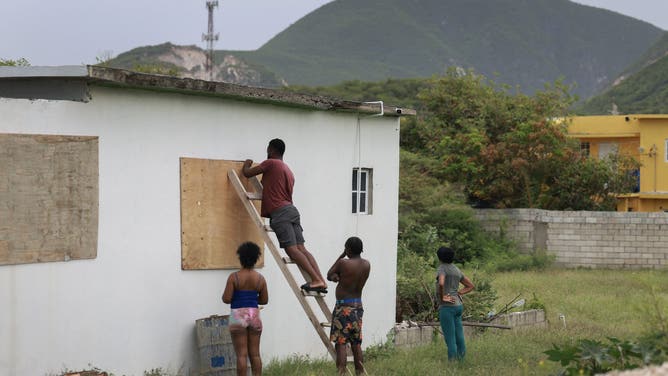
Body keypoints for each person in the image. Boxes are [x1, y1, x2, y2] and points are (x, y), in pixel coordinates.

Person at [242, 138, 328, 293]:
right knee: (302, 248)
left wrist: (247, 163)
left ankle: (316, 280)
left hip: (280, 213)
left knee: (292, 250)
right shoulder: (288, 170)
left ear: (271, 149)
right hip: (292, 210)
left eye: (268, 149)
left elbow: (247, 173)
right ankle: (321, 279)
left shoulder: (271, 163)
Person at [222, 242, 269, 376]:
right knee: (255, 355)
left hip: (238, 316)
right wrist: (252, 300)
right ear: (256, 258)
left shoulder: (234, 277)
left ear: (240, 257)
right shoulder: (260, 279)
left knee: (241, 355)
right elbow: (264, 300)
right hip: (254, 315)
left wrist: (239, 299)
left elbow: (226, 299)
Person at [327, 236, 370, 376]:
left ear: (348, 249)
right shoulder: (366, 264)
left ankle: (341, 373)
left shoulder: (343, 263)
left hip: (343, 308)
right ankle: (360, 373)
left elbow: (329, 274)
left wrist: (341, 255)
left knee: (341, 343)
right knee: (356, 343)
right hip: (358, 307)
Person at [435, 246, 475, 361]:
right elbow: (470, 286)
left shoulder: (442, 268)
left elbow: (441, 283)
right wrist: (459, 293)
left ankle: (452, 363)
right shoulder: (456, 269)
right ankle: (461, 361)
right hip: (458, 306)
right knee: (459, 335)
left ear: (439, 257)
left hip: (447, 307)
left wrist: (443, 296)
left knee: (450, 338)